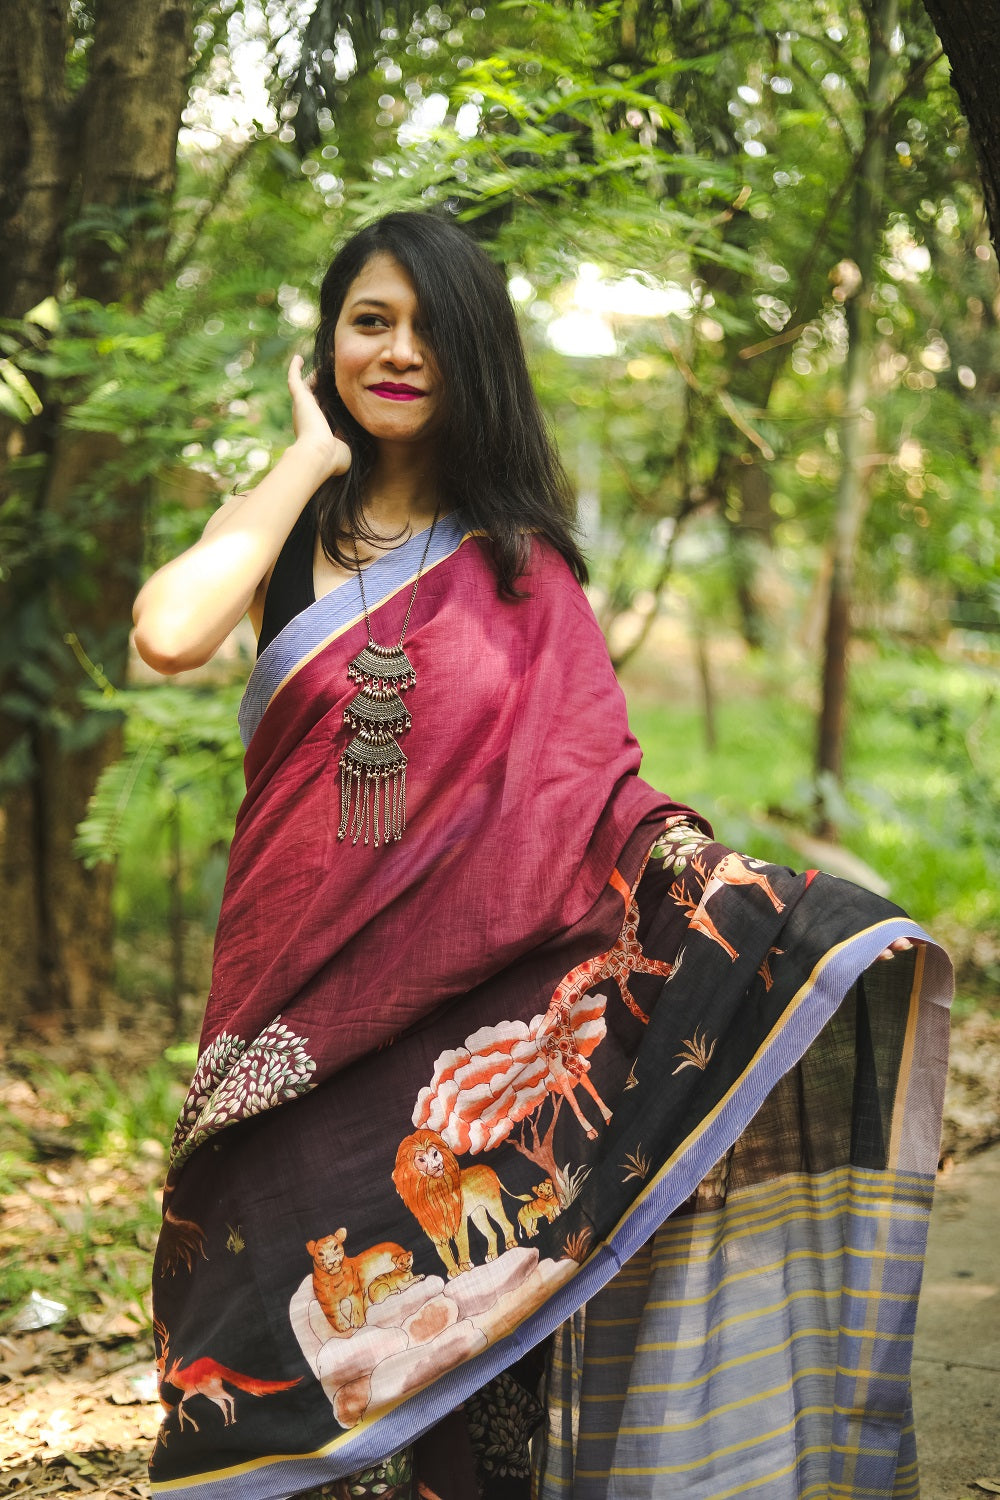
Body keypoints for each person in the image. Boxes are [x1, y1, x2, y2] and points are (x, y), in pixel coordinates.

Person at [134, 211, 952, 1500]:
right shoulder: (284, 532)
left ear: (477, 358)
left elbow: (587, 790)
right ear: (329, 342)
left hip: (460, 1015)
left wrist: (710, 889)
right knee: (258, 1294)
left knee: (470, 1353)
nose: (397, 353)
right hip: (286, 997)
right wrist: (302, 459)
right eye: (368, 322)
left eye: (428, 330)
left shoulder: (524, 568)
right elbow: (169, 633)